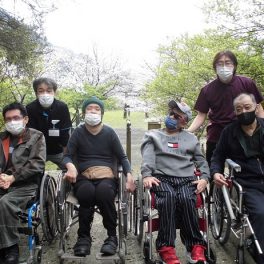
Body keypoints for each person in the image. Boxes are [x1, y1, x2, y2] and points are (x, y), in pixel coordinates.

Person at [63, 96, 135, 257]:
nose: (93, 111)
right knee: (86, 193)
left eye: (97, 109)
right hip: (83, 176)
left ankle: (111, 237)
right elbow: (67, 156)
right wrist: (70, 166)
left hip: (106, 176)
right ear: (83, 113)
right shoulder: (78, 132)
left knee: (104, 193)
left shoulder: (109, 132)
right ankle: (83, 238)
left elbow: (122, 157)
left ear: (101, 113)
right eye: (90, 108)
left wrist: (129, 176)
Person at [141, 100, 210, 264]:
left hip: (186, 178)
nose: (172, 117)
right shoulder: (153, 136)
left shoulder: (191, 138)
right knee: (168, 199)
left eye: (178, 116)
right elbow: (148, 159)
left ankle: (195, 245)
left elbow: (201, 162)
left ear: (185, 121)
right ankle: (166, 247)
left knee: (187, 200)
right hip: (162, 177)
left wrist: (205, 179)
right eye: (171, 113)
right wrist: (146, 175)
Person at [211, 93, 264, 264]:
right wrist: (216, 172)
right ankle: (260, 254)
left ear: (256, 107)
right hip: (247, 182)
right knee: (261, 212)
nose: (243, 112)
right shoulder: (229, 132)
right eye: (239, 109)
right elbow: (218, 156)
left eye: (247, 107)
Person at [188, 50, 264, 165]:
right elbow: (201, 115)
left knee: (247, 170)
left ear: (234, 65)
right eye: (220, 63)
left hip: (243, 133)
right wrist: (187, 132)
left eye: (228, 63)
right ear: (215, 67)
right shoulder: (207, 90)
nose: (224, 66)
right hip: (216, 135)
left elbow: (258, 108)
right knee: (214, 169)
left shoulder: (247, 83)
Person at [0, 102, 46, 264]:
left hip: (27, 185)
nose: (12, 122)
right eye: (8, 119)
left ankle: (10, 247)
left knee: (5, 202)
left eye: (16, 118)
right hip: (2, 182)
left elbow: (37, 164)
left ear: (25, 119)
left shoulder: (36, 137)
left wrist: (13, 177)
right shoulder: (2, 138)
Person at [26, 77, 72, 170]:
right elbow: (30, 133)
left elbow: (65, 131)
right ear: (36, 93)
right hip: (38, 151)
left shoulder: (62, 107)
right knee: (33, 173)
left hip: (58, 151)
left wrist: (67, 157)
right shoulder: (30, 108)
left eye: (49, 91)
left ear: (54, 92)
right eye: (41, 91)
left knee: (69, 169)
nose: (45, 94)